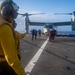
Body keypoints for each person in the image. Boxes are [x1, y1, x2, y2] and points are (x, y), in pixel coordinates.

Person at [0, 0, 26, 75]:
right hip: (5, 66)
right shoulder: (5, 28)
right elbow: (11, 58)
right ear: (5, 12)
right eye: (14, 15)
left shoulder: (3, 24)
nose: (14, 18)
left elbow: (16, 35)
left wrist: (24, 34)